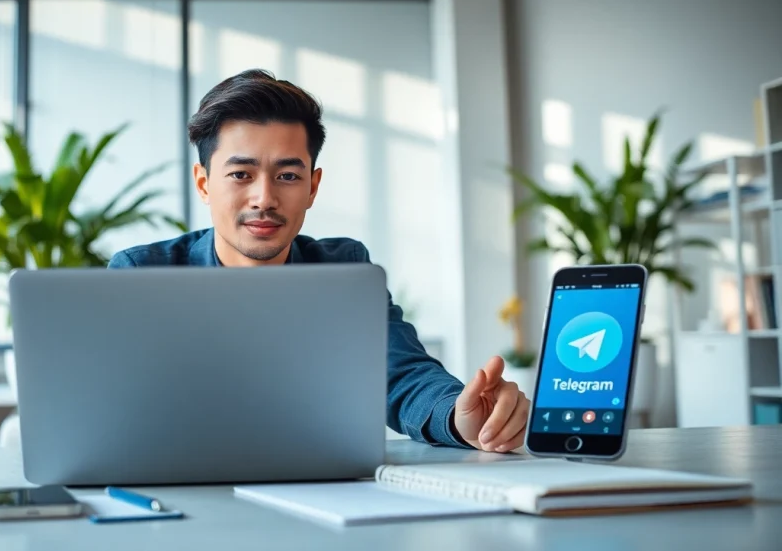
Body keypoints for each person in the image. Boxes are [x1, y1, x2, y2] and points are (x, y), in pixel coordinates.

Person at [108, 69, 530, 452]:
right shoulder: (141, 275)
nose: (264, 199)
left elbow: (402, 374)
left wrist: (457, 417)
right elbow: (110, 408)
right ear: (204, 184)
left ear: (312, 186)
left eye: (288, 176)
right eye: (241, 175)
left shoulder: (343, 270)